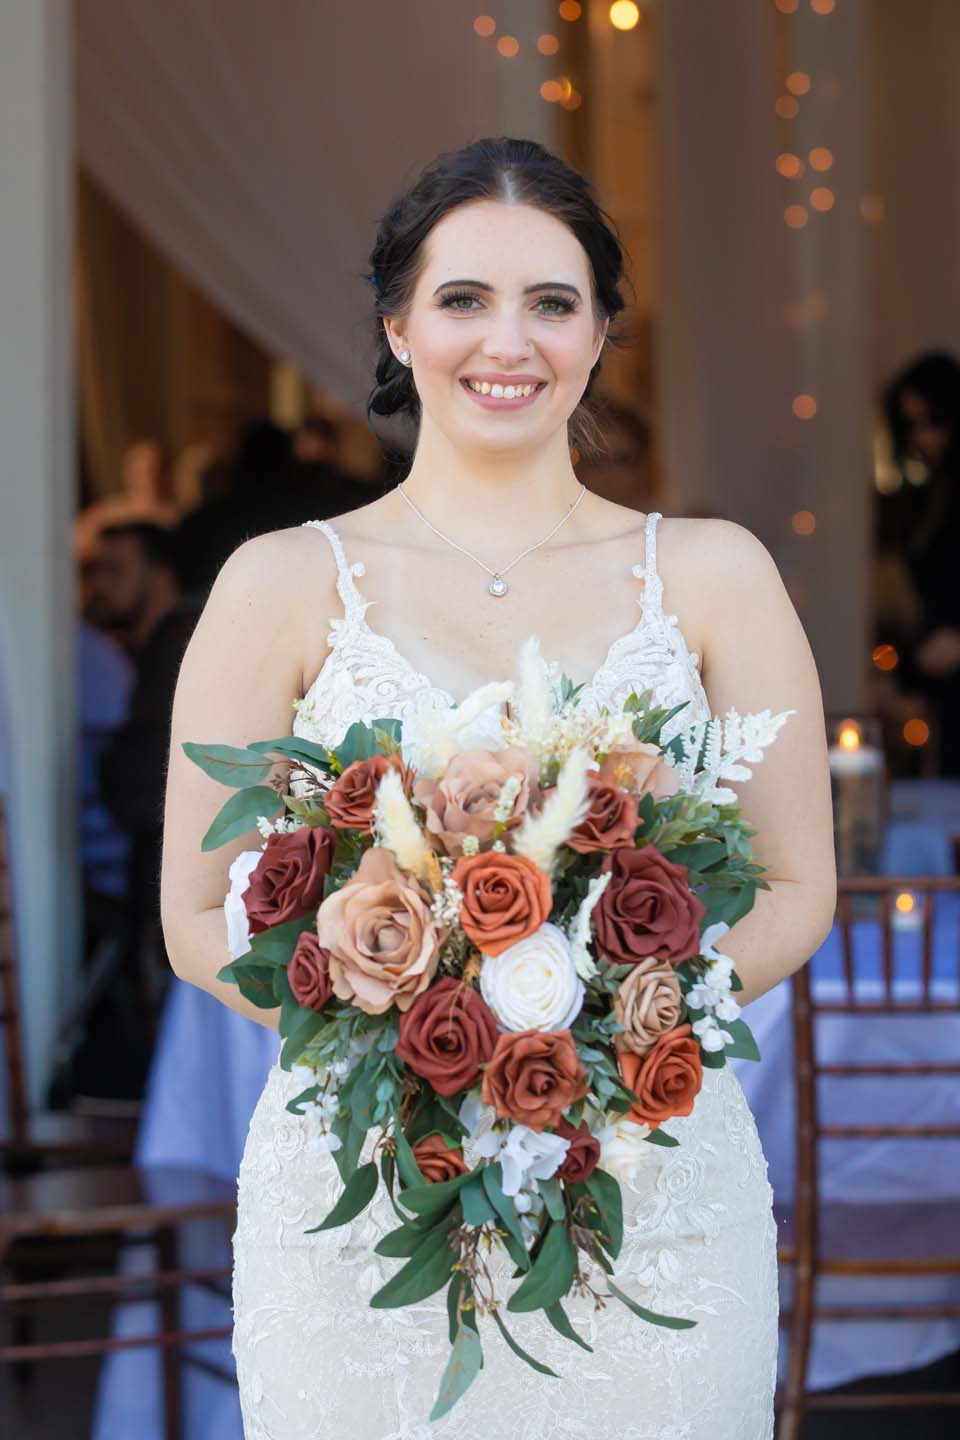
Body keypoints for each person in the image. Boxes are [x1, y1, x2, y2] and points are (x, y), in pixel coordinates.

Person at [160, 137, 836, 1438]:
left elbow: (800, 886)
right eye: (464, 298)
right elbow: (198, 916)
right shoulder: (281, 582)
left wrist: (608, 1026)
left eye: (552, 302)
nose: (505, 340)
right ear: (398, 325)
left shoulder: (714, 573)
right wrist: (400, 1033)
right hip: (361, 1201)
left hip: (651, 1180)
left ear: (600, 336)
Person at [882, 352, 960, 774]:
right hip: (940, 697)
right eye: (910, 425)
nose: (922, 438)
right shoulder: (931, 494)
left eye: (933, 421)